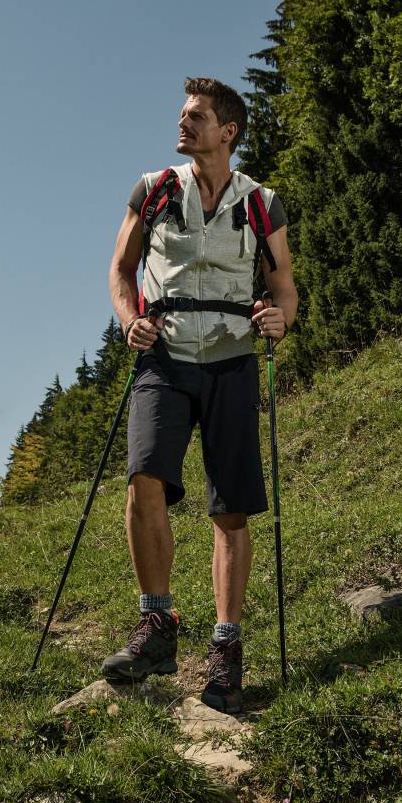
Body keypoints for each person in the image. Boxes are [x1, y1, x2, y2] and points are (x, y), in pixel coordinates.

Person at [99, 77, 297, 715]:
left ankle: (226, 648)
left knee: (229, 510)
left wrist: (280, 319)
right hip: (163, 356)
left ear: (228, 131)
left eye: (197, 117)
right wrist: (129, 316)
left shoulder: (261, 203)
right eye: (183, 115)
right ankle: (156, 626)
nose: (183, 125)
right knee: (143, 478)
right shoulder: (154, 190)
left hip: (233, 360)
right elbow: (121, 268)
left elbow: (285, 287)